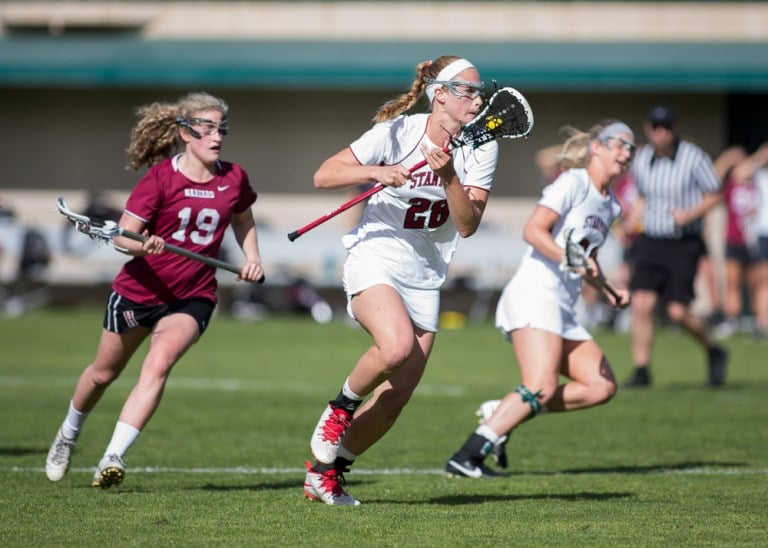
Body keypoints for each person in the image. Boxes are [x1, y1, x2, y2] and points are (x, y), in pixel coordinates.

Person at [302, 55, 498, 505]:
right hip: (376, 254)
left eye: (478, 90)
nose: (477, 98)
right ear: (440, 94)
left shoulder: (482, 145)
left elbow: (466, 224)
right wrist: (377, 171)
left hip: (426, 272)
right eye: (467, 90)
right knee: (394, 348)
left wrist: (448, 175)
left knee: (397, 395)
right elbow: (324, 174)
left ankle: (325, 474)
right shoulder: (397, 132)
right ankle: (339, 409)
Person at [44, 92, 265, 489]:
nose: (217, 136)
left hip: (192, 296)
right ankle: (68, 434)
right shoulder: (161, 178)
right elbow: (122, 239)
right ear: (185, 133)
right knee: (102, 374)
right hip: (139, 292)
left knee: (158, 365)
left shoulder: (234, 178)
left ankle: (113, 456)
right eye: (208, 127)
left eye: (222, 128)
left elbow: (243, 219)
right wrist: (143, 243)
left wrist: (253, 259)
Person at [445, 120, 633, 477]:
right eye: (619, 144)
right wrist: (572, 261)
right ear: (596, 146)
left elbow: (584, 260)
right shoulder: (574, 182)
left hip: (562, 303)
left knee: (600, 386)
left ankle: (503, 410)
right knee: (540, 385)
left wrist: (609, 290)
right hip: (535, 293)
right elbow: (534, 230)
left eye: (631, 148)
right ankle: (467, 456)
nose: (626, 153)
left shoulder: (613, 207)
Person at [623, 105, 728, 388]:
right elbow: (643, 197)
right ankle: (642, 368)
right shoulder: (642, 158)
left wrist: (689, 214)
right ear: (648, 129)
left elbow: (715, 194)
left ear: (675, 129)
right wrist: (630, 222)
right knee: (642, 303)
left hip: (683, 241)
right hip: (650, 239)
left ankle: (713, 349)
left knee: (676, 312)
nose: (661, 134)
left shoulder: (693, 157)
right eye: (656, 128)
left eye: (666, 128)